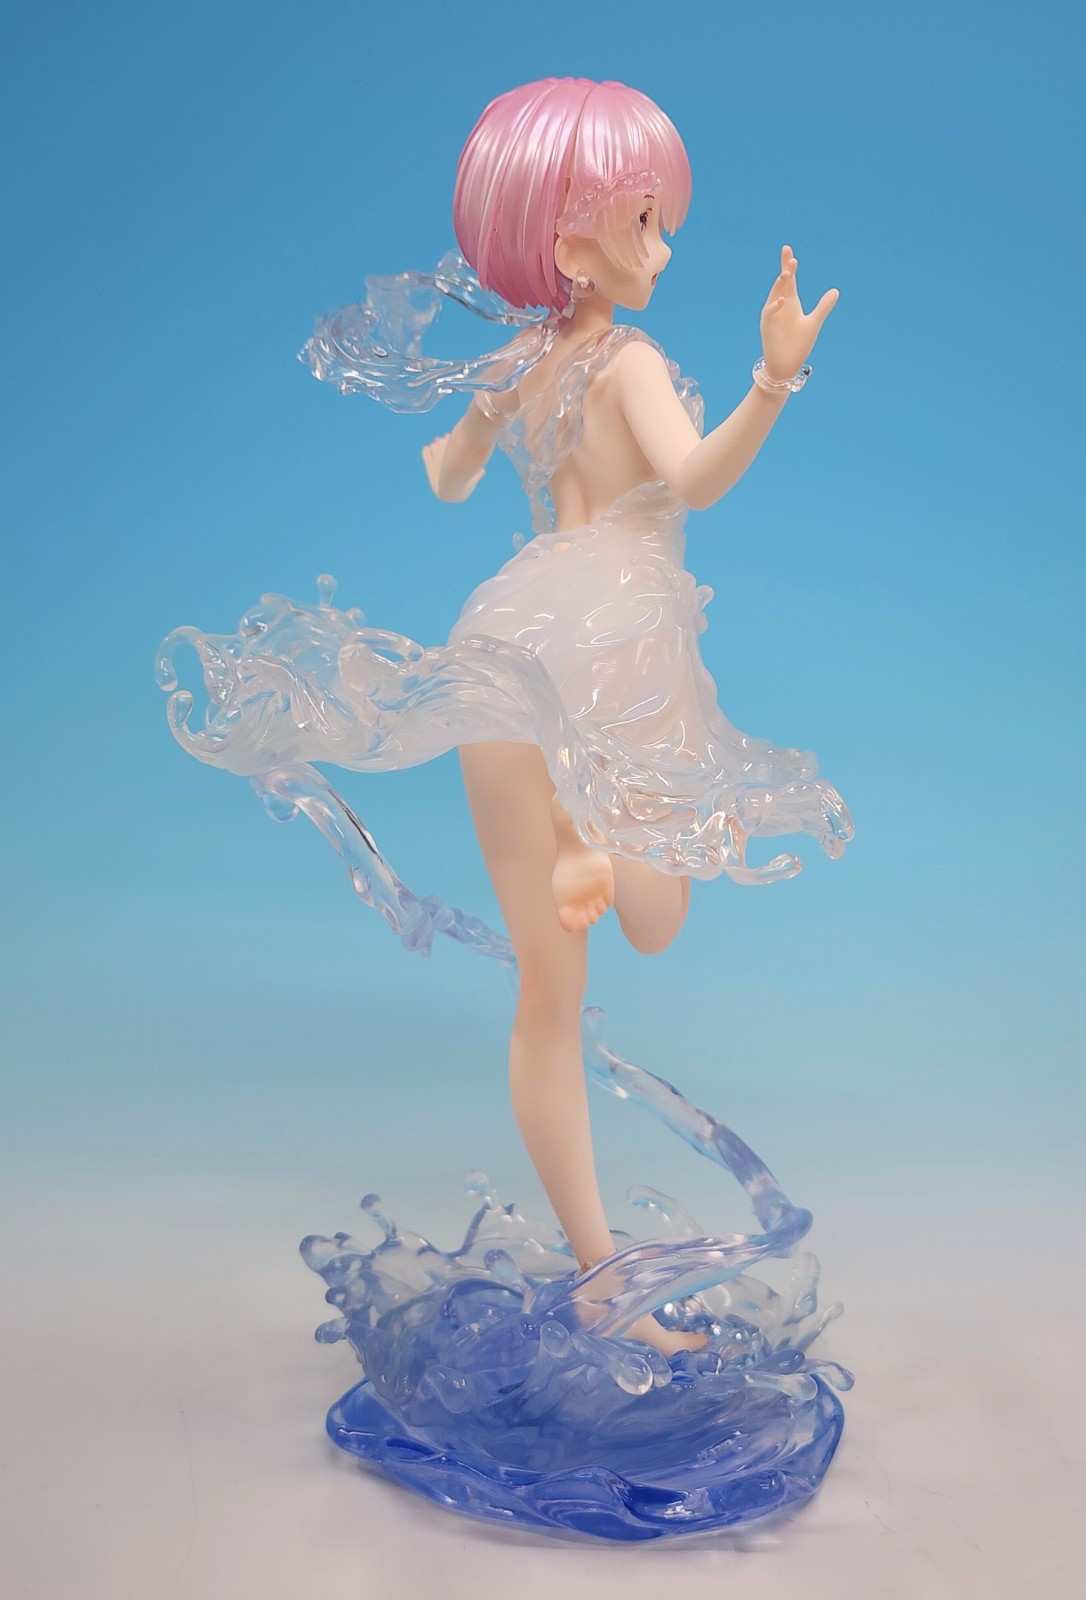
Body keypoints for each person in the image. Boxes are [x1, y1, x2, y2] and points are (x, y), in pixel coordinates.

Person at [161, 76, 852, 1361]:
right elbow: (698, 476)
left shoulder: (523, 364)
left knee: (555, 985)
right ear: (570, 239)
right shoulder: (628, 362)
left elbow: (446, 475)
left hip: (507, 648)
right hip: (613, 653)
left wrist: (471, 433)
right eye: (643, 221)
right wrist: (773, 378)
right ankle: (586, 826)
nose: (664, 246)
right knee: (656, 916)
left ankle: (596, 1269)